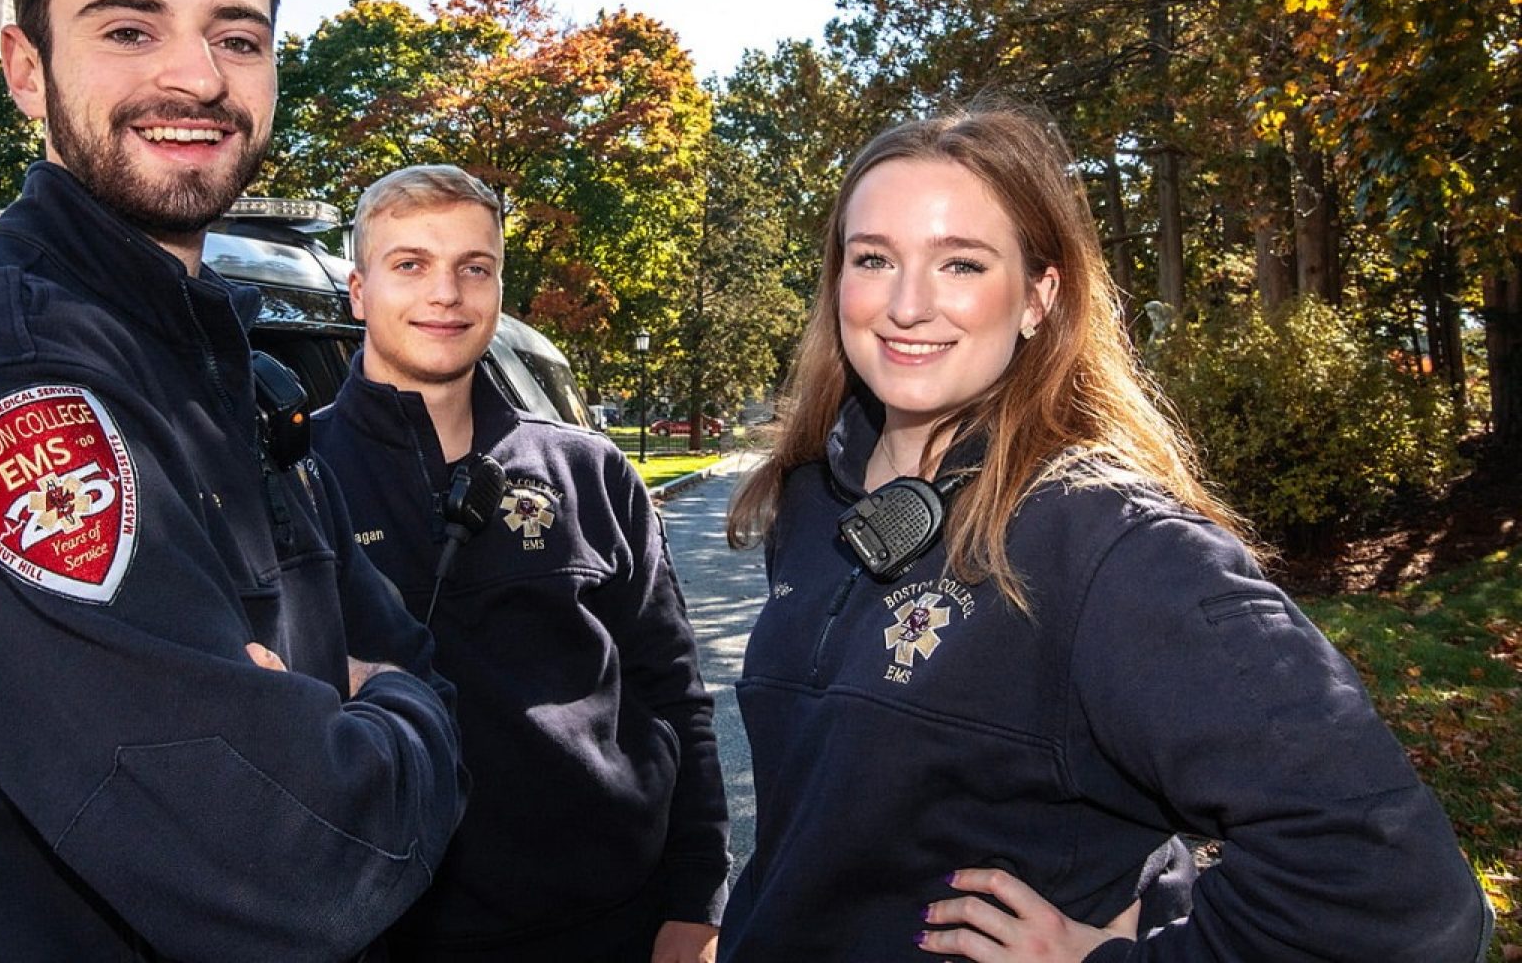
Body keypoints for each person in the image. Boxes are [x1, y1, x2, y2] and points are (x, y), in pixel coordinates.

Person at [0, 0, 465, 963]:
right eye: (130, 28)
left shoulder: (227, 371)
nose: (195, 75)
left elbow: (409, 648)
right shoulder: (6, 381)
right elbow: (295, 859)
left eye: (237, 34)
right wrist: (389, 713)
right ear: (26, 69)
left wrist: (360, 707)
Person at [716, 107, 1492, 961]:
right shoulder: (813, 500)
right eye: (873, 259)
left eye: (962, 264)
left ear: (1039, 297)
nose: (907, 304)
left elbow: (1401, 897)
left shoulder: (1108, 542)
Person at [310, 165, 731, 962]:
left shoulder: (593, 472)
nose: (448, 294)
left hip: (616, 921)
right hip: (389, 934)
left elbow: (676, 692)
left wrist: (697, 897)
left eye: (475, 268)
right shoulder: (291, 482)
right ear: (359, 291)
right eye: (411, 265)